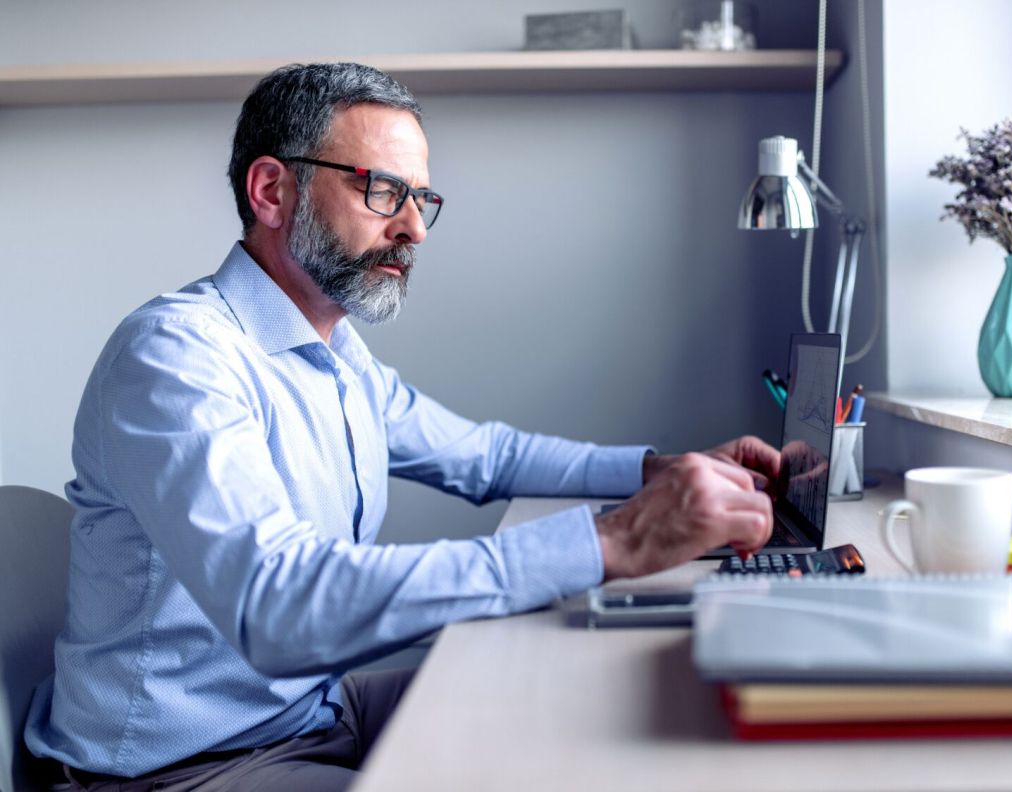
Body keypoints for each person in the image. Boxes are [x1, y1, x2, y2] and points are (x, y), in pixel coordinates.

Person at [25, 62, 778, 791]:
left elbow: (486, 458)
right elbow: (276, 606)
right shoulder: (177, 358)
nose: (415, 228)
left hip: (312, 712)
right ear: (271, 191)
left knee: (580, 709)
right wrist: (614, 541)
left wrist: (660, 471)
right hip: (180, 770)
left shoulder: (337, 355)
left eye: (421, 198)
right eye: (384, 191)